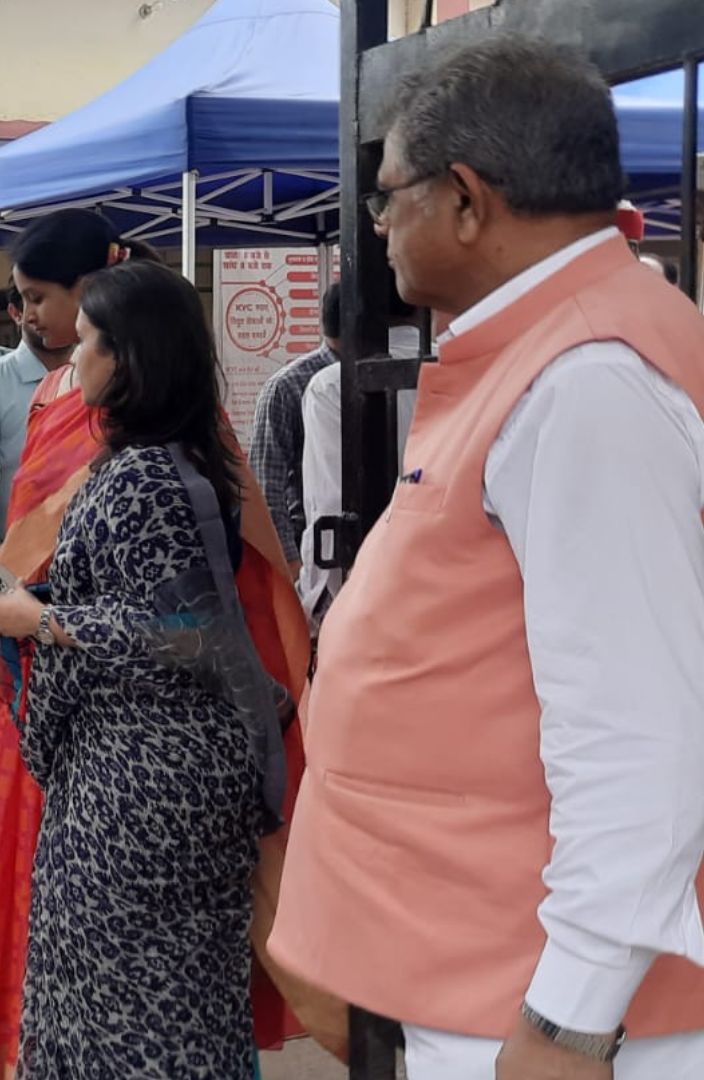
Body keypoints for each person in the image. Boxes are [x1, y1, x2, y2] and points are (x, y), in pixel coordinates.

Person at [271, 38, 704, 1079]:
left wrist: (569, 1019)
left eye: (387, 198)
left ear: (465, 199)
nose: (377, 226)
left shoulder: (588, 381)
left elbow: (639, 739)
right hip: (486, 962)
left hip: (543, 1002)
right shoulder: (548, 353)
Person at [0, 209, 317, 1080]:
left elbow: (187, 632)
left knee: (138, 1009)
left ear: (128, 357)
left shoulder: (148, 474)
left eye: (85, 340)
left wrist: (40, 620)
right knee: (136, 999)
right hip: (132, 769)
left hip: (145, 785)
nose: (67, 357)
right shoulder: (159, 459)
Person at [296, 285, 420, 621]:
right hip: (452, 578)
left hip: (364, 588)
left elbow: (330, 502)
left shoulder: (333, 385)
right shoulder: (459, 368)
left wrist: (319, 600)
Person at [0, 279, 77, 547]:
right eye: (38, 301)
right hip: (13, 556)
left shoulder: (100, 379)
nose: (52, 313)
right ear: (16, 312)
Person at [249, 284, 344, 581]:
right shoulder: (288, 386)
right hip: (312, 553)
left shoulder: (386, 373)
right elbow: (267, 488)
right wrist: (291, 567)